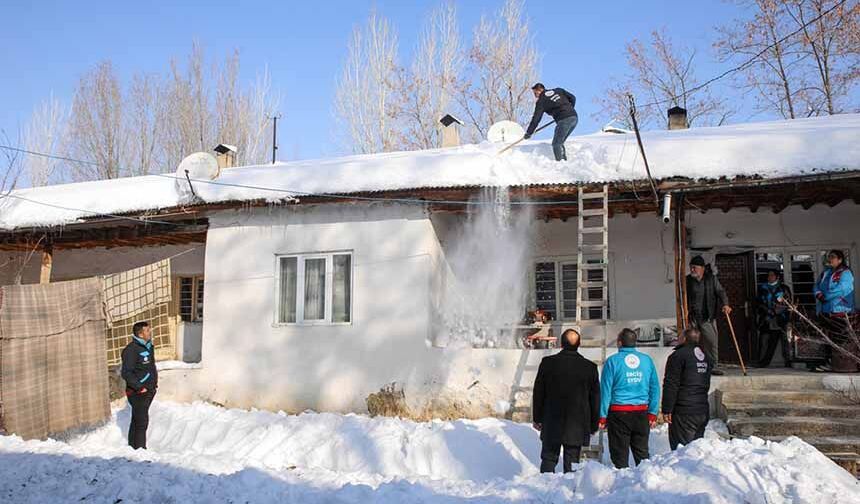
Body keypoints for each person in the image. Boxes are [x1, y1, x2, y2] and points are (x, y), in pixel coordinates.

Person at [532, 329, 600, 473]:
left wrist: (537, 418)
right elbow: (594, 398)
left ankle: (545, 489)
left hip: (552, 420)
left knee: (549, 459)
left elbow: (539, 393)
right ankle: (569, 492)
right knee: (572, 461)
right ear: (579, 344)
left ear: (561, 344)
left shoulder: (548, 363)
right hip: (577, 423)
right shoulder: (590, 367)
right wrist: (593, 425)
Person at [599, 328, 660, 469]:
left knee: (619, 456)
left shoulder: (612, 362)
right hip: (642, 413)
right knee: (642, 454)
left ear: (620, 343)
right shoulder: (647, 361)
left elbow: (606, 390)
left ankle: (622, 485)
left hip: (619, 413)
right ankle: (646, 482)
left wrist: (602, 415)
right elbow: (655, 388)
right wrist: (653, 412)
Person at [662, 328, 713, 451]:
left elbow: (671, 384)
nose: (677, 339)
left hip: (684, 411)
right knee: (697, 450)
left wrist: (667, 409)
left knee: (682, 452)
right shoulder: (706, 356)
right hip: (702, 409)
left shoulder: (678, 356)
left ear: (684, 339)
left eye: (679, 337)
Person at [686, 256, 731, 376]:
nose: (692, 270)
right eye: (691, 267)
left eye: (694, 267)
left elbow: (721, 292)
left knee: (711, 342)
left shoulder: (711, 279)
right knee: (691, 341)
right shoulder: (688, 280)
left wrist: (725, 304)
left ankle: (713, 366)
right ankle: (692, 366)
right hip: (692, 317)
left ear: (702, 268)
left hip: (707, 316)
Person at [812, 249, 855, 372]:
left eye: (833, 257)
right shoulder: (826, 273)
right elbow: (816, 285)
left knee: (840, 339)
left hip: (840, 311)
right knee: (826, 338)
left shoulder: (845, 273)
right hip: (825, 311)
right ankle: (828, 362)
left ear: (840, 259)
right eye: (829, 257)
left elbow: (842, 289)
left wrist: (826, 296)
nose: (830, 259)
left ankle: (841, 364)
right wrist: (818, 294)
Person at [121, 321, 158, 449]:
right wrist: (139, 387)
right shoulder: (131, 350)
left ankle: (133, 448)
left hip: (149, 390)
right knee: (142, 422)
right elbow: (126, 373)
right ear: (140, 334)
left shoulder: (148, 346)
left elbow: (150, 367)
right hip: (137, 392)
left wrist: (153, 386)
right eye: (147, 331)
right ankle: (141, 450)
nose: (150, 332)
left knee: (137, 419)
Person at [523, 83, 578, 161]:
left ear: (539, 90)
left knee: (556, 144)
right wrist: (569, 110)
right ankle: (564, 162)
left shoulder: (541, 101)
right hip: (574, 117)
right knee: (560, 142)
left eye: (535, 92)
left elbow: (536, 119)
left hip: (564, 120)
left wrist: (529, 132)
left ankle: (561, 165)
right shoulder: (558, 90)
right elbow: (573, 98)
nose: (535, 95)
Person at [755, 270, 792, 368]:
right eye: (768, 275)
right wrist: (767, 311)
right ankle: (762, 361)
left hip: (780, 319)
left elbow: (787, 303)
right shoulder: (762, 288)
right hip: (766, 318)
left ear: (777, 277)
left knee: (784, 341)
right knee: (764, 341)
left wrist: (776, 311)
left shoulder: (783, 288)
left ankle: (788, 361)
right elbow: (758, 302)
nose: (769, 277)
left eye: (772, 275)